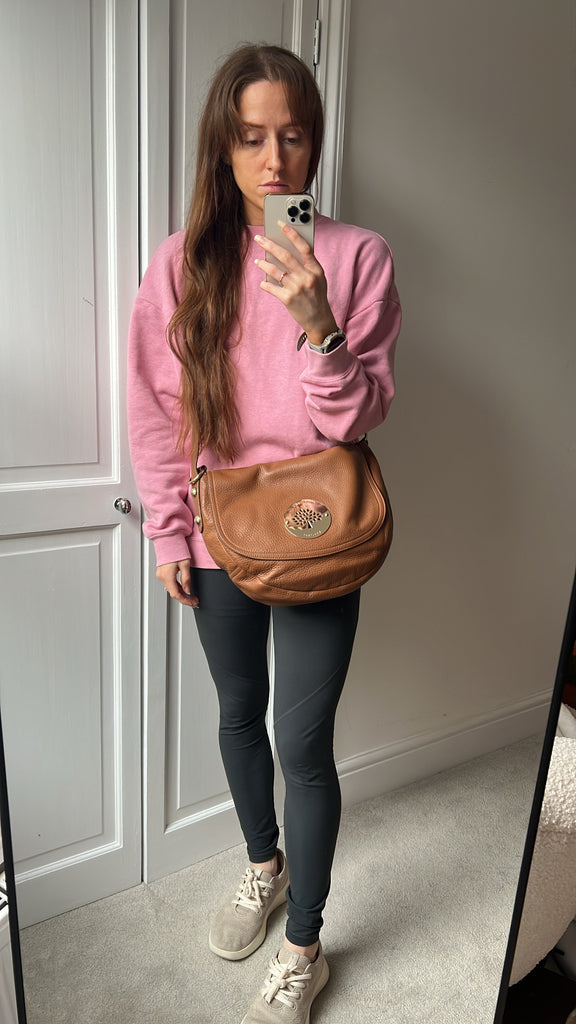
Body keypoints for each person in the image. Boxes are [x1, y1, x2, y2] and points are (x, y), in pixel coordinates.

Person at [128, 43, 401, 1024]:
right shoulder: (182, 262)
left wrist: (319, 325)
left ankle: (305, 946)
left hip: (322, 529)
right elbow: (158, 410)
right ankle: (264, 863)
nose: (274, 159)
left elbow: (356, 419)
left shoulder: (358, 257)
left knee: (305, 742)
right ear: (223, 145)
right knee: (239, 712)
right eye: (251, 138)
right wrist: (168, 532)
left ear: (315, 140)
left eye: (292, 136)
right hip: (217, 533)